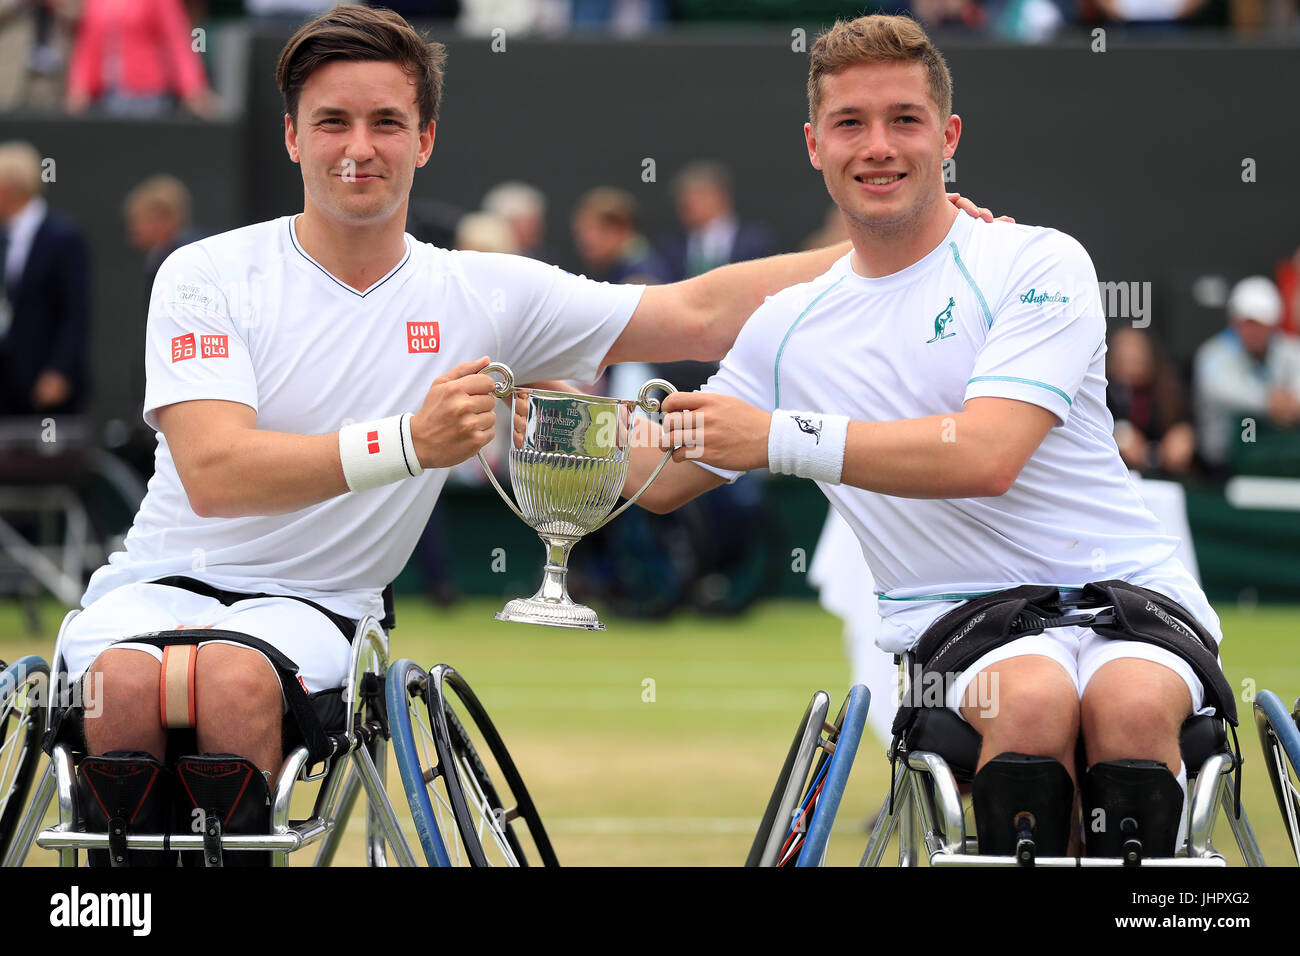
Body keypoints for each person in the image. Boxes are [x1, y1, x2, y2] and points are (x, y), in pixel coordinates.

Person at [60, 5, 997, 805]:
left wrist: (919, 242)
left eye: (387, 122)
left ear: (424, 139)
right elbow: (216, 475)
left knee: (225, 684)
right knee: (121, 691)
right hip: (150, 587)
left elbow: (700, 308)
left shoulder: (485, 291)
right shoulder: (205, 272)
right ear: (294, 136)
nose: (359, 149)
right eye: (333, 122)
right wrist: (410, 442)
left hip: (318, 611)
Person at [624, 14, 1227, 857]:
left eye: (904, 120)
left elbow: (988, 455)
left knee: (1126, 708)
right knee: (1033, 703)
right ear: (813, 144)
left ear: (947, 136)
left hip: (1129, 597)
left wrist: (777, 437)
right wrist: (520, 398)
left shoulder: (1038, 261)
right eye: (850, 124)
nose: (879, 145)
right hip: (962, 626)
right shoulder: (784, 326)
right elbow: (656, 477)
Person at [0, 140, 89, 416]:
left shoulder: (63, 239)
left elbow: (76, 312)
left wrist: (59, 370)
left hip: (42, 382)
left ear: (10, 188)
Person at [1193, 275, 1300, 475]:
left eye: (1260, 323)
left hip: (1283, 458)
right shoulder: (1212, 354)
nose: (1253, 331)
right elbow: (1222, 391)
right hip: (1223, 465)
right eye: (1247, 323)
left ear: (1273, 324)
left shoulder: (1290, 350)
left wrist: (1291, 403)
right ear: (1234, 322)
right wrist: (1270, 402)